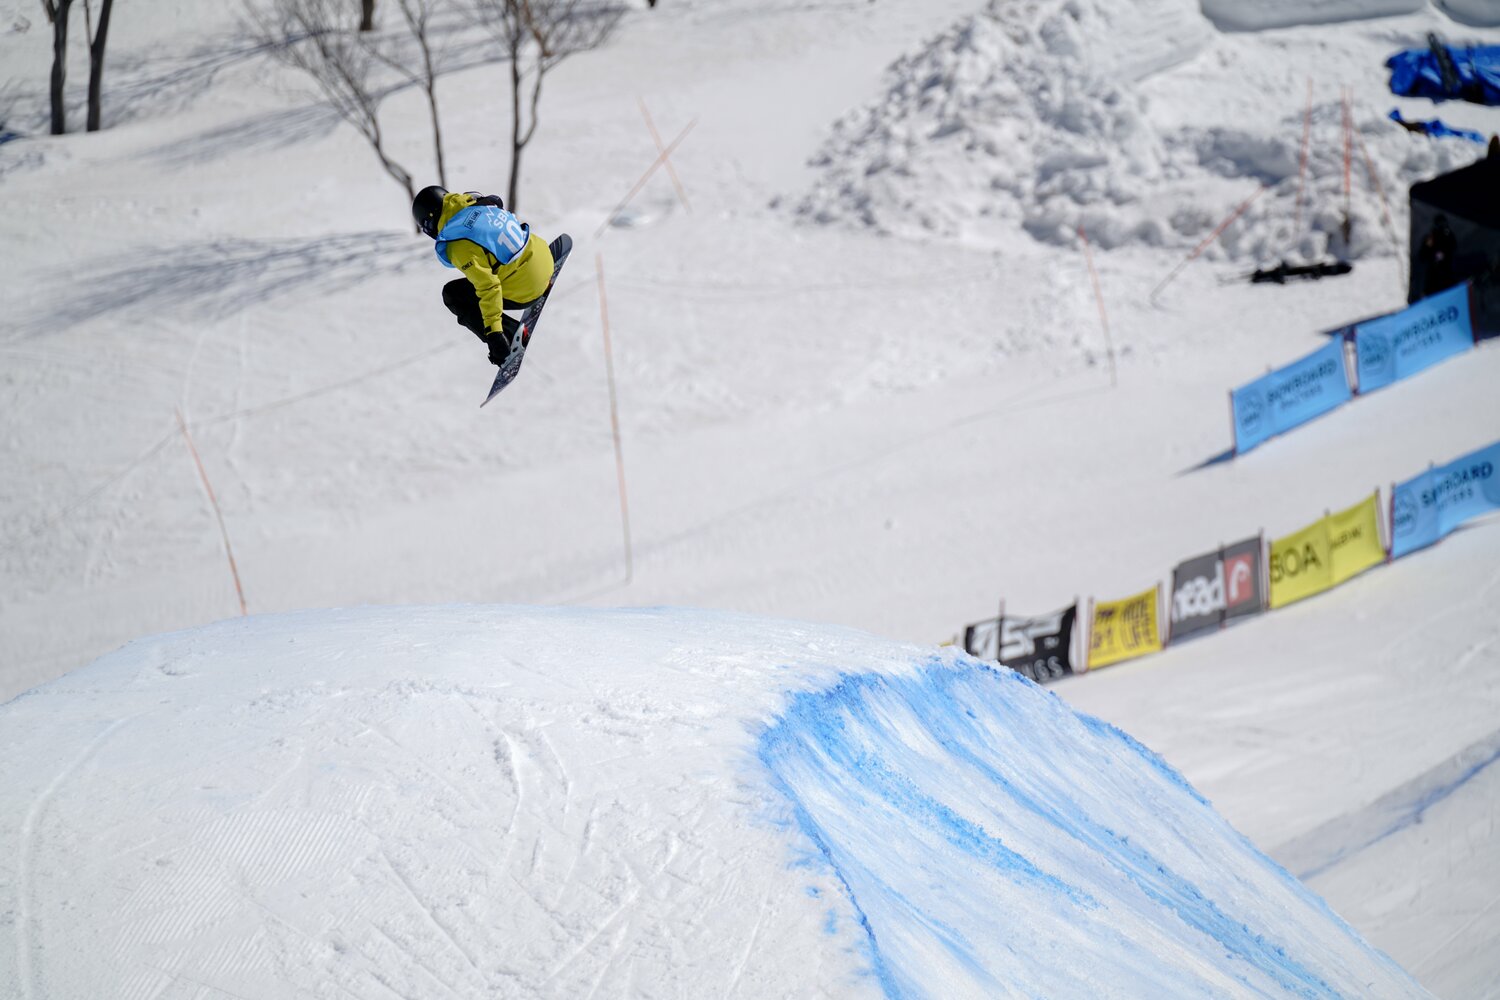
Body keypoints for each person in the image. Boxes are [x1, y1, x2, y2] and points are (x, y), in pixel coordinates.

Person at [412, 186, 556, 365]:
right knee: (490, 270)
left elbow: (488, 286)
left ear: (429, 223)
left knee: (453, 295)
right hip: (544, 259)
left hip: (526, 287)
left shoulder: (457, 242)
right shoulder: (477, 205)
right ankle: (542, 280)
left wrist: (495, 335)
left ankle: (510, 336)